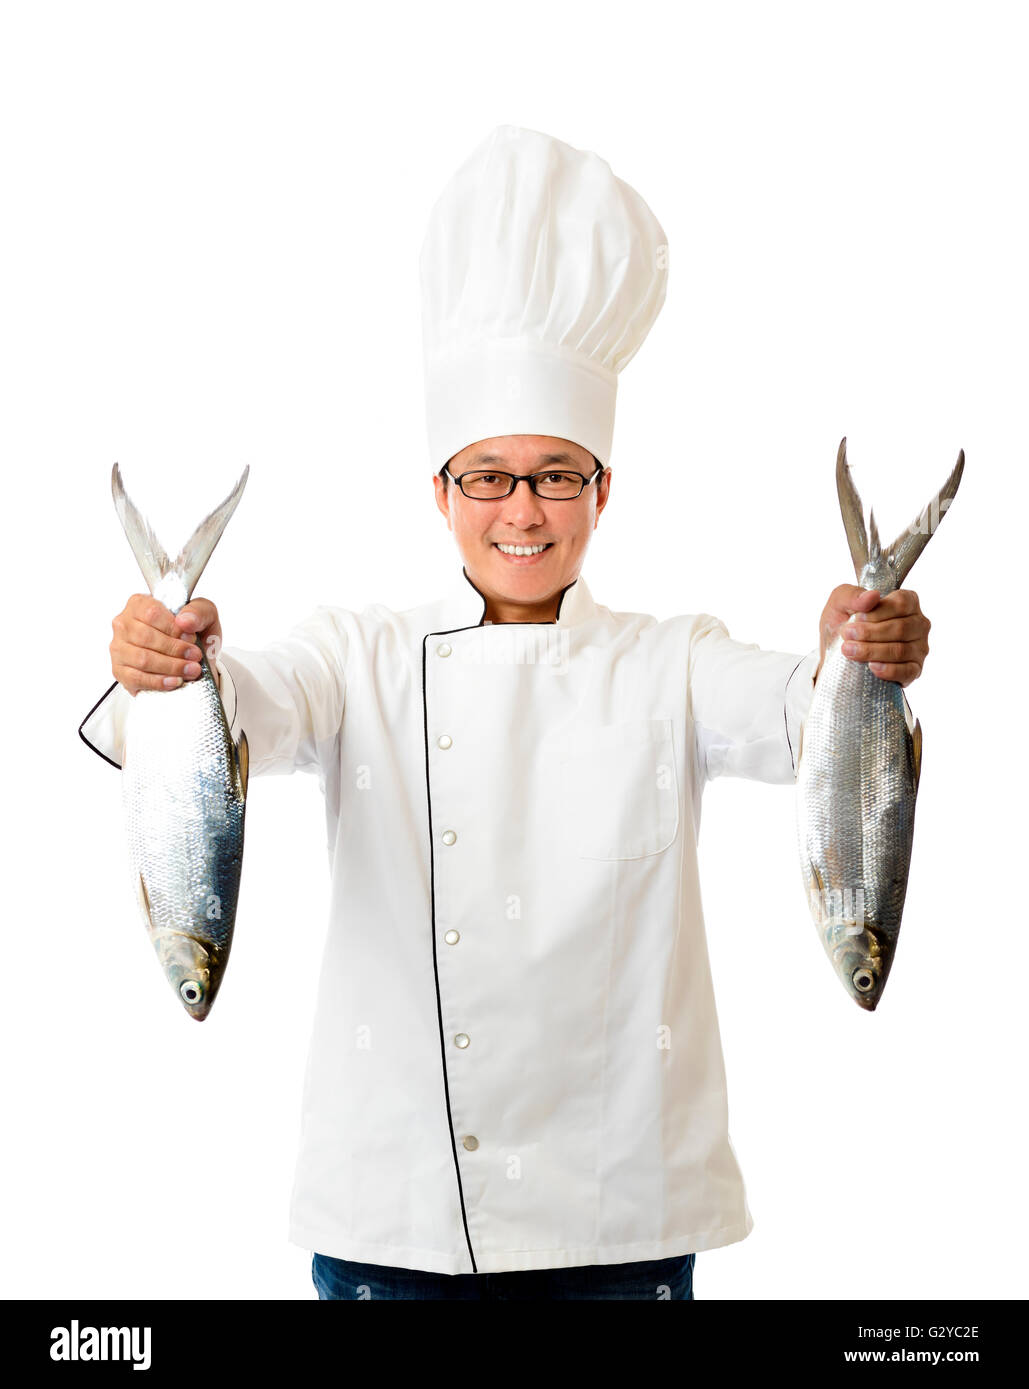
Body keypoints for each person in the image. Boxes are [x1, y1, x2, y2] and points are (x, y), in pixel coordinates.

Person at [79, 127, 931, 1301]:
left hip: (621, 1227)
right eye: (489, 474)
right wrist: (169, 664)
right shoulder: (355, 654)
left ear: (603, 489)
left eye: (557, 473)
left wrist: (856, 651)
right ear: (440, 490)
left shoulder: (671, 661)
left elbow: (801, 713)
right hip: (396, 1225)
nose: (522, 509)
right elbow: (246, 713)